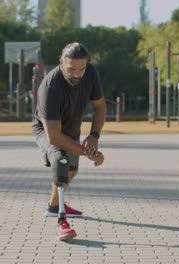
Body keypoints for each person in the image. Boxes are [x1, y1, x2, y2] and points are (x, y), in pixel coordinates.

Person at [32, 42, 106, 240]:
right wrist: (90, 153)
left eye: (80, 69)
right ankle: (62, 222)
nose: (76, 74)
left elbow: (99, 106)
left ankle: (54, 206)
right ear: (61, 62)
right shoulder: (50, 87)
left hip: (71, 127)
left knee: (72, 169)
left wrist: (94, 136)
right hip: (48, 129)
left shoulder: (90, 73)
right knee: (60, 159)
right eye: (71, 69)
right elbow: (54, 136)